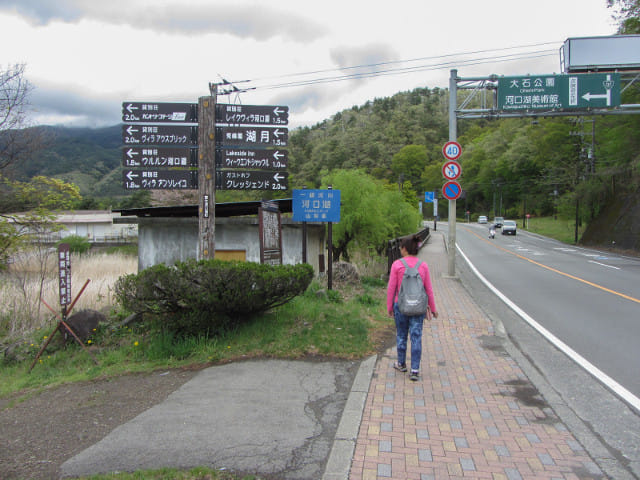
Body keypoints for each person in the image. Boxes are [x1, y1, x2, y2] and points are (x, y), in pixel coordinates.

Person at [387, 235, 438, 381]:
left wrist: (389, 306)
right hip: (418, 307)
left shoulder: (397, 265)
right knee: (416, 337)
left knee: (401, 335)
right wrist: (433, 309)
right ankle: (415, 370)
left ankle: (401, 364)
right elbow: (429, 289)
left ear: (404, 248)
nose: (399, 249)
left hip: (400, 305)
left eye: (401, 247)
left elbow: (391, 288)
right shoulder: (423, 265)